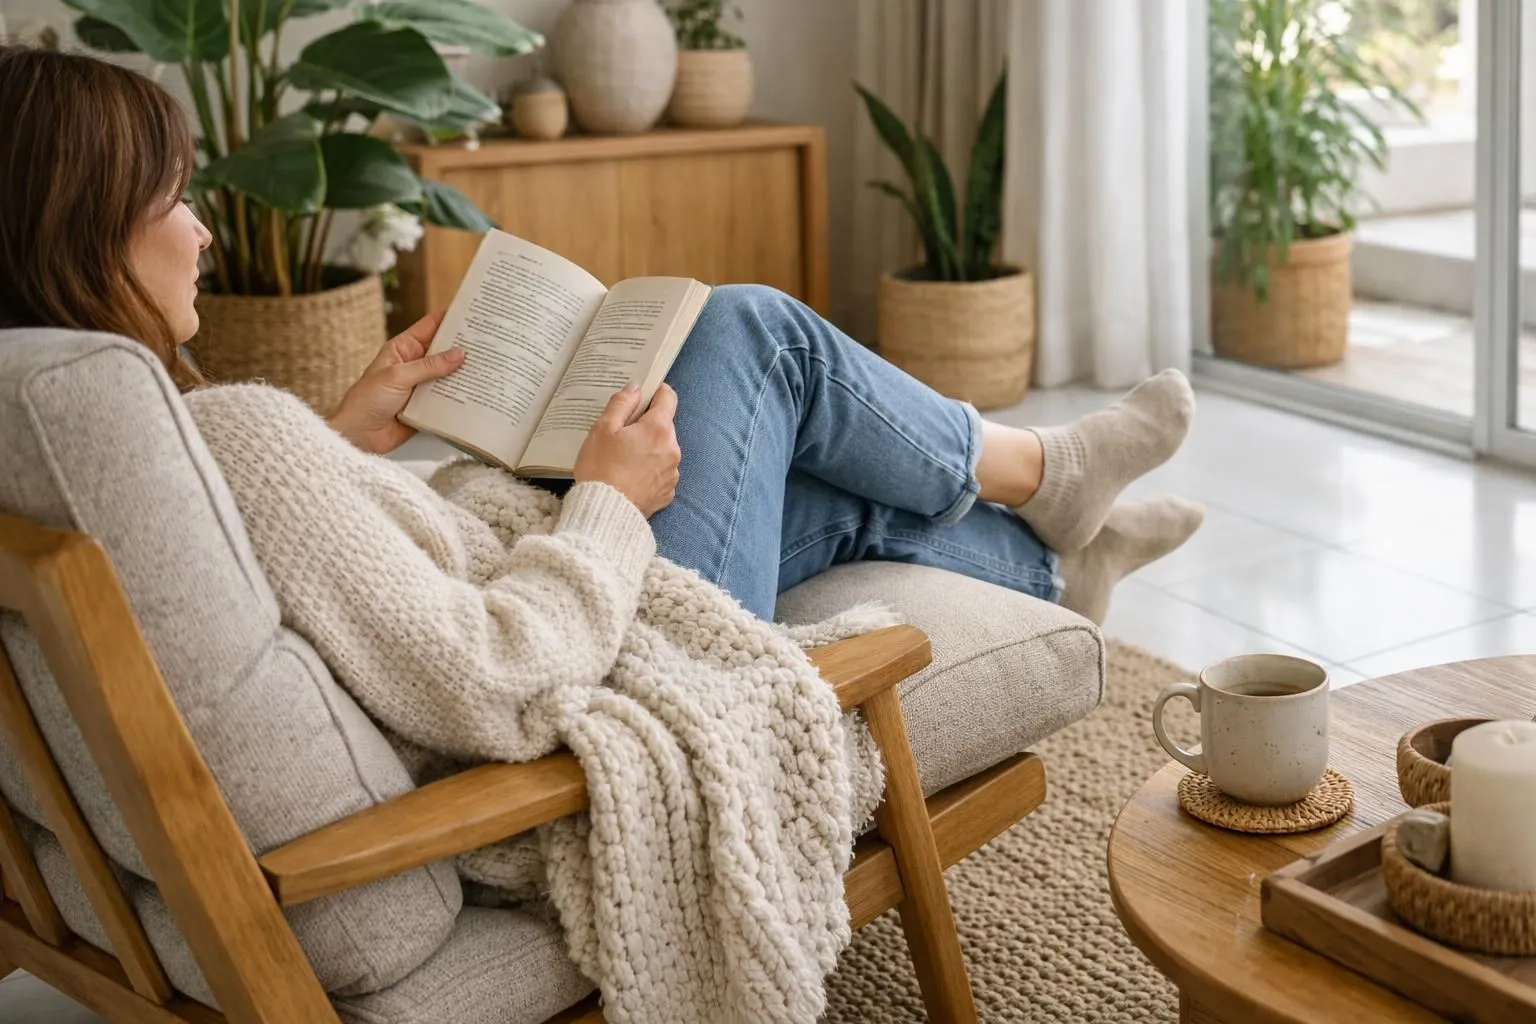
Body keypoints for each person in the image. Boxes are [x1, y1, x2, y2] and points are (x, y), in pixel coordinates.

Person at [0, 45, 1201, 633]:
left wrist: (346, 439)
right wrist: (608, 504)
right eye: (174, 200)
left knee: (811, 472)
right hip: (605, 651)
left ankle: (1062, 559)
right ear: (80, 229)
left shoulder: (70, 425)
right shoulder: (174, 427)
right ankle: (1046, 475)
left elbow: (285, 562)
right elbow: (492, 671)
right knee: (752, 330)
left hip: (532, 573)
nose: (204, 231)